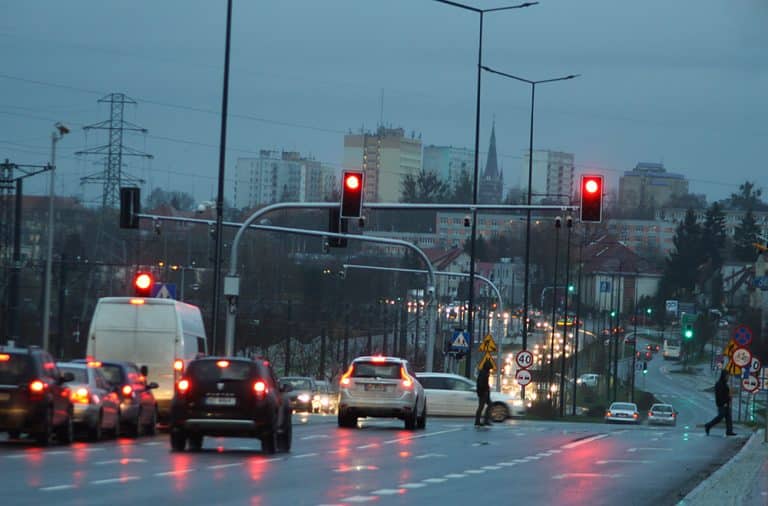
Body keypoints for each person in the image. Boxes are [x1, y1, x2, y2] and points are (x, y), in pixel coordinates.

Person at [704, 370, 736, 436]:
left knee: (728, 417)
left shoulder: (725, 384)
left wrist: (729, 398)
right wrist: (725, 401)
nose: (728, 377)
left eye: (728, 376)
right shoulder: (719, 384)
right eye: (727, 376)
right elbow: (720, 395)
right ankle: (708, 425)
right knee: (720, 416)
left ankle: (729, 431)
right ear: (724, 376)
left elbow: (726, 393)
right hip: (722, 404)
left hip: (726, 403)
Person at [474, 361, 493, 427]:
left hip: (484, 392)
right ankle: (479, 421)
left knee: (489, 405)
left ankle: (484, 420)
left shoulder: (484, 372)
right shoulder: (484, 373)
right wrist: (485, 390)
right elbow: (481, 384)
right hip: (483, 392)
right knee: (481, 407)